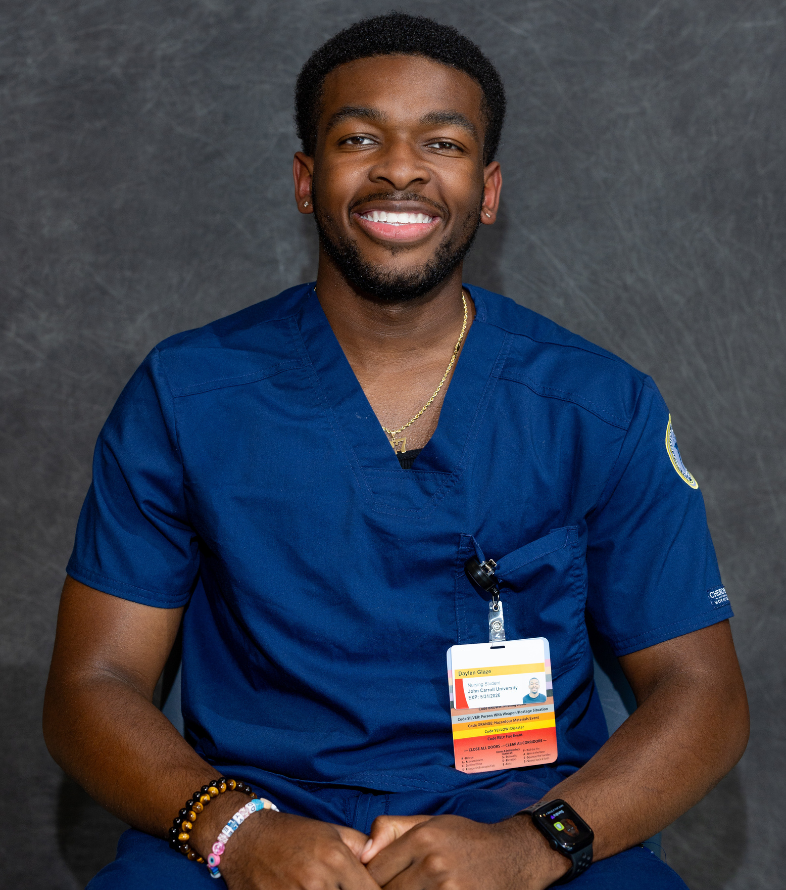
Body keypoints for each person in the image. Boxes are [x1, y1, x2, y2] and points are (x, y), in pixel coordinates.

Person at [43, 12, 749, 890]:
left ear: (488, 192)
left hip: (529, 833)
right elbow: (94, 681)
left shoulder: (598, 405)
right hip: (255, 823)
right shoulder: (187, 395)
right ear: (307, 179)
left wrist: (533, 844)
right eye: (359, 137)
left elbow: (702, 693)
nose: (401, 168)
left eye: (442, 143)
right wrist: (239, 832)